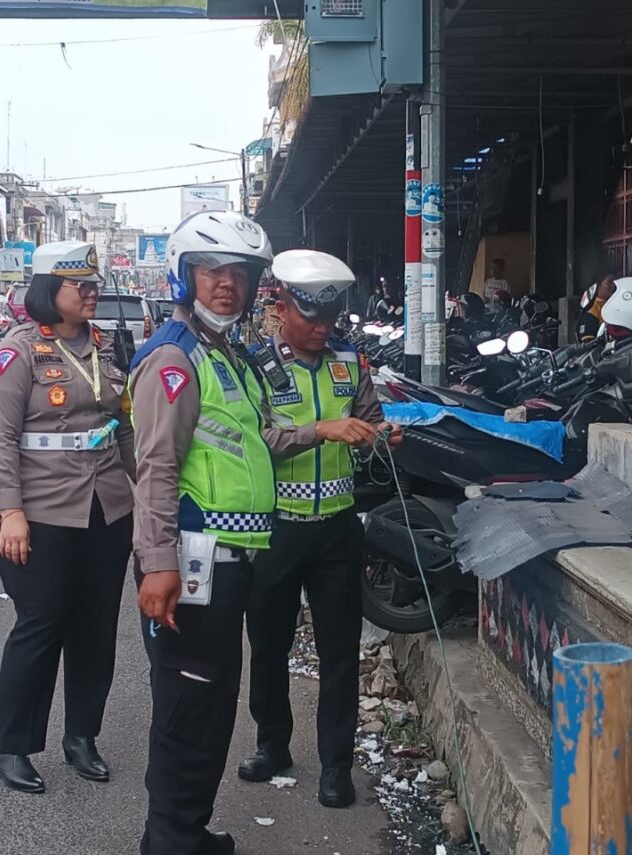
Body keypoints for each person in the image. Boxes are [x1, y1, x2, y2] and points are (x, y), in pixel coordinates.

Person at [129, 212, 375, 855]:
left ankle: (185, 831)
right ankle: (171, 840)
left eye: (239, 274)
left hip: (235, 555)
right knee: (189, 703)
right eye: (212, 272)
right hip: (195, 557)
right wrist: (157, 561)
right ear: (185, 276)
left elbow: (252, 443)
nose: (227, 285)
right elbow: (155, 467)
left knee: (211, 706)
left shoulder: (225, 355)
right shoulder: (175, 358)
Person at [238, 249, 402, 810]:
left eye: (329, 318)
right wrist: (321, 430)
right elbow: (257, 440)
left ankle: (337, 765)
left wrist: (382, 437)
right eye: (311, 317)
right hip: (276, 529)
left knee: (339, 652)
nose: (321, 328)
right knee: (268, 646)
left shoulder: (350, 364)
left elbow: (371, 422)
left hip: (336, 529)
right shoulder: (254, 367)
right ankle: (272, 745)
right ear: (282, 306)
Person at [0, 241, 136, 795]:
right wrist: (10, 512)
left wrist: (149, 492)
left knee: (97, 627)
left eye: (95, 285)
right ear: (51, 289)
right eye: (81, 286)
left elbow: (123, 427)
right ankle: (13, 745)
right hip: (43, 510)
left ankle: (82, 736)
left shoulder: (106, 347)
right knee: (40, 625)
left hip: (107, 507)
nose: (92, 294)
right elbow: (1, 438)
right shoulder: (17, 352)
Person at [577, 272, 616, 342]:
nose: (613, 286)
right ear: (598, 286)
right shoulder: (592, 309)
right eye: (609, 282)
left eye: (614, 282)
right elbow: (588, 342)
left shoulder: (614, 303)